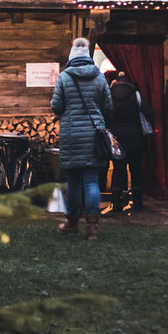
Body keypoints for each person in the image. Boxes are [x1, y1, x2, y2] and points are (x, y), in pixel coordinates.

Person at [49, 37, 113, 240]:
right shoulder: (100, 77)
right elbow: (108, 106)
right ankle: (93, 227)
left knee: (74, 182)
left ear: (71, 57)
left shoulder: (64, 77)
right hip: (94, 134)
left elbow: (56, 106)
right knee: (91, 181)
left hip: (71, 135)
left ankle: (72, 223)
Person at [107, 70, 153, 212]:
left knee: (118, 169)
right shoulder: (137, 96)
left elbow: (105, 116)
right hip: (135, 137)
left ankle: (116, 203)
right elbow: (149, 112)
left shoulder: (109, 97)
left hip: (116, 139)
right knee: (135, 169)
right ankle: (138, 203)